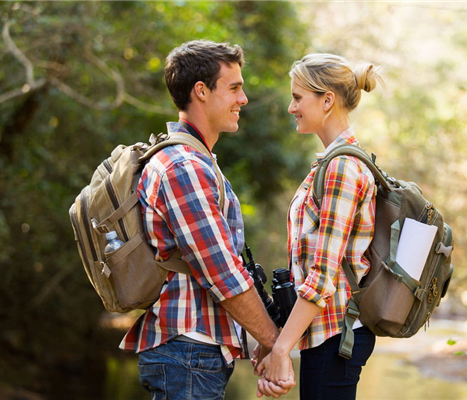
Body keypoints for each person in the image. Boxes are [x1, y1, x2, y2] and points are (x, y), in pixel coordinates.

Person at [119, 40, 292, 400]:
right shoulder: (184, 167)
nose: (243, 99)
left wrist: (260, 341)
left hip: (194, 354)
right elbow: (222, 273)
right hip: (187, 353)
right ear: (201, 91)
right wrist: (275, 343)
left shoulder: (198, 161)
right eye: (234, 88)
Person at [255, 53, 383, 399]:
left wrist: (281, 348)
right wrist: (278, 340)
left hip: (336, 339)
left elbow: (322, 276)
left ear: (327, 100)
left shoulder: (342, 167)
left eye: (297, 97)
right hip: (325, 337)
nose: (290, 107)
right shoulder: (329, 164)